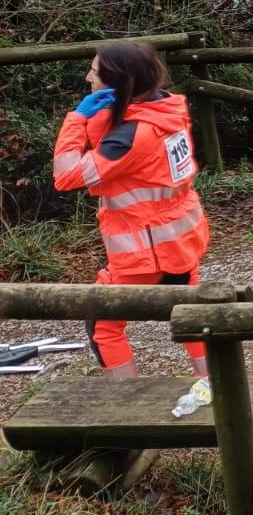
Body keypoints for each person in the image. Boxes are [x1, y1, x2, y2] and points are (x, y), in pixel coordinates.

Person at [52, 40, 210, 379]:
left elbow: (65, 176)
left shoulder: (127, 138)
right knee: (195, 319)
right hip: (181, 241)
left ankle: (128, 403)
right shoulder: (169, 110)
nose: (87, 78)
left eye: (94, 73)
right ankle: (217, 388)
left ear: (117, 83)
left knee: (103, 326)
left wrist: (77, 120)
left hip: (145, 252)